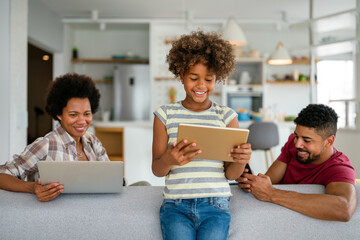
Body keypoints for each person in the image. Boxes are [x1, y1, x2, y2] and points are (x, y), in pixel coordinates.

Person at [152, 31, 252, 240]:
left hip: (216, 206)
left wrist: (241, 161)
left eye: (209, 79)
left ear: (217, 78)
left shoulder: (227, 116)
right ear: (182, 76)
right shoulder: (164, 115)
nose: (201, 85)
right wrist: (169, 159)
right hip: (176, 206)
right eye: (193, 78)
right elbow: (157, 170)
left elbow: (231, 175)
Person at [237, 104, 357, 221]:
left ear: (329, 141)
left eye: (306, 140)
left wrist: (271, 193)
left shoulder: (339, 168)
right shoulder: (293, 145)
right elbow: (270, 182)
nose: (297, 144)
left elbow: (344, 209)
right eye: (296, 136)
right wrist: (253, 183)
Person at [0, 73, 109, 202]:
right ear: (59, 114)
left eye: (87, 114)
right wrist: (33, 188)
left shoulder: (93, 142)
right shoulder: (47, 144)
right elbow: (2, 175)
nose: (82, 121)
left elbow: (110, 178)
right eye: (73, 115)